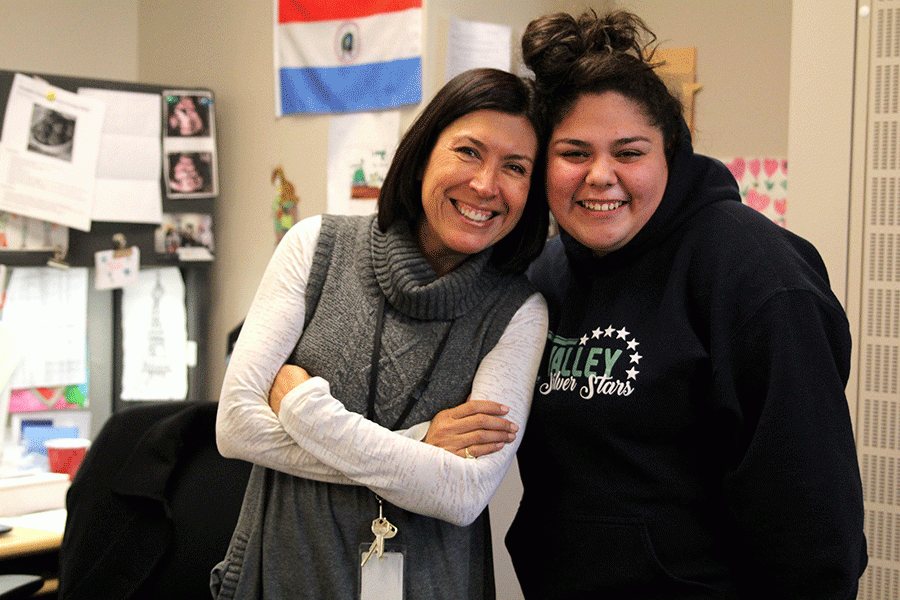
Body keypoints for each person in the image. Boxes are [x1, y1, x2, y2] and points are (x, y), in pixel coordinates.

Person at [505, 10, 867, 599]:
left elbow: (814, 527)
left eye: (629, 151)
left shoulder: (757, 276)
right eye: (573, 152)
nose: (600, 176)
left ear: (670, 153)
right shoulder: (547, 277)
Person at [211, 67, 549, 599]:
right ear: (421, 157)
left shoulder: (519, 311)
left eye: (515, 167)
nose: (486, 184)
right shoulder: (314, 247)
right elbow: (235, 426)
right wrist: (418, 447)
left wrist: (303, 409)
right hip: (282, 574)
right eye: (467, 152)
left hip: (430, 586)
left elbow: (463, 493)